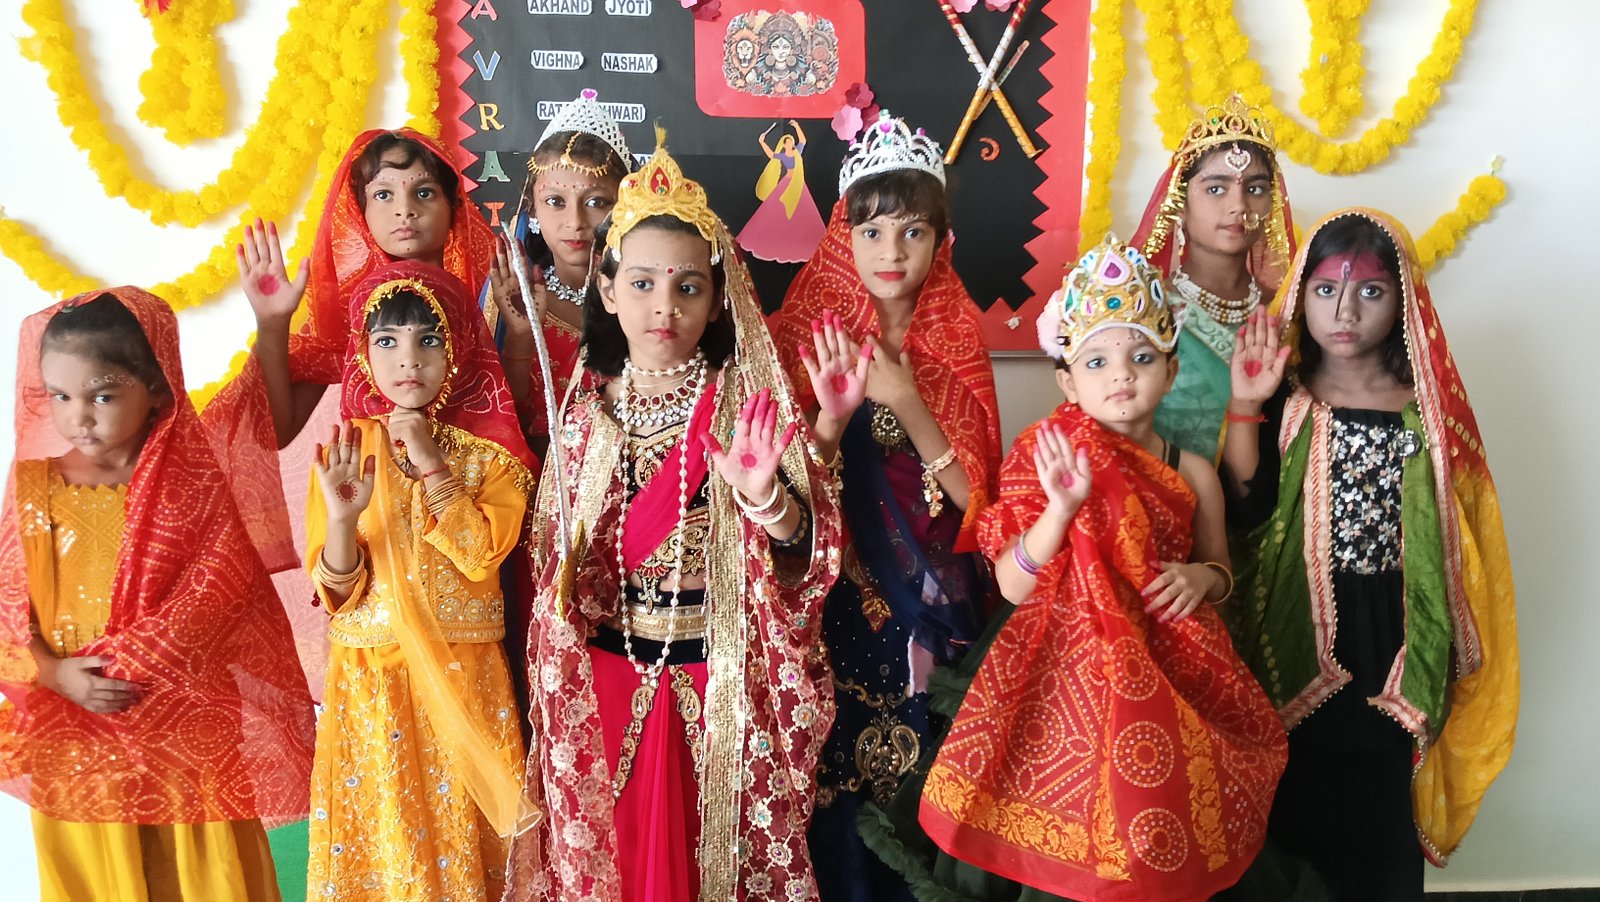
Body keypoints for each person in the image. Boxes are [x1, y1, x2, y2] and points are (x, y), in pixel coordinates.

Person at [863, 235, 1287, 902]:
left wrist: (1201, 579)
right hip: (1058, 676)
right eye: (1097, 360)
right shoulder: (1047, 456)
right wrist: (1060, 511)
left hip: (1167, 675)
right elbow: (1012, 584)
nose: (1121, 375)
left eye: (1141, 357)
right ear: (1067, 380)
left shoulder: (1193, 472)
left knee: (1154, 837)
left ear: (1171, 370)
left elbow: (1220, 571)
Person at [503, 131, 844, 900]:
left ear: (718, 299)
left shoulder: (746, 407)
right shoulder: (585, 418)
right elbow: (553, 566)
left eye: (688, 287)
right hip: (608, 679)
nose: (665, 306)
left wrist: (767, 500)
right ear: (608, 291)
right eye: (644, 283)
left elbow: (807, 559)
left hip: (716, 685)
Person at [1222, 209, 1519, 900]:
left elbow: (1463, 532)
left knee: (1382, 799)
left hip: (1396, 629)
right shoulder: (1286, 396)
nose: (1345, 312)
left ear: (1404, 297)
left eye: (1370, 292)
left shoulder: (1428, 409)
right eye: (1326, 290)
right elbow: (1245, 509)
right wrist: (1243, 403)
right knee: (1296, 797)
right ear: (1301, 293)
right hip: (1294, 625)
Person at [0, 289, 316, 901]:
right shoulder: (35, 485)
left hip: (186, 730)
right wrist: (55, 674)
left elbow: (220, 587)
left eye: (101, 395)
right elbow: (8, 608)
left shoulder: (193, 473)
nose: (78, 417)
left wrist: (272, 322)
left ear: (155, 387)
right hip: (82, 731)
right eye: (60, 396)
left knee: (207, 878)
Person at [769, 111, 1001, 902]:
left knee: (926, 771)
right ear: (844, 236)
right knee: (837, 770)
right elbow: (784, 492)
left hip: (936, 596)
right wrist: (834, 417)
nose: (891, 252)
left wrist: (905, 398)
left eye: (912, 232)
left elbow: (982, 505)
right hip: (834, 589)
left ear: (940, 239)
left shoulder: (957, 341)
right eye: (871, 231)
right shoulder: (806, 333)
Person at [303, 260, 539, 901]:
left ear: (458, 347)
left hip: (465, 676)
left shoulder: (493, 455)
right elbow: (337, 594)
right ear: (363, 353)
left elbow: (481, 556)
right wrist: (343, 520)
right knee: (389, 841)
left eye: (428, 339)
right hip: (373, 681)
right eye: (387, 341)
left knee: (465, 845)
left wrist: (434, 466)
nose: (408, 358)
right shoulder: (347, 451)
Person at [1132, 94, 1297, 461]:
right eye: (1215, 188)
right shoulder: (1144, 310)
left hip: (1264, 495)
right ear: (1179, 205)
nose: (1239, 205)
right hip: (1161, 491)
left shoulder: (1287, 310)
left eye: (1255, 188)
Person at [485, 89, 632, 451]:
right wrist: (520, 337)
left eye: (596, 202)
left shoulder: (647, 298)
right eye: (555, 201)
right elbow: (499, 425)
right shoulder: (511, 298)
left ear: (626, 205)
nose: (575, 221)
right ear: (532, 209)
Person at [737, 119, 827, 263]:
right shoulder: (783, 156)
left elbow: (803, 140)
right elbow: (771, 155)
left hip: (797, 183)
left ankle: (800, 239)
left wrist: (796, 126)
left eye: (791, 141)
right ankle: (777, 238)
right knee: (777, 209)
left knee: (802, 210)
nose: (789, 144)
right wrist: (762, 142)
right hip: (787, 182)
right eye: (787, 142)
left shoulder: (797, 152)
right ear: (784, 145)